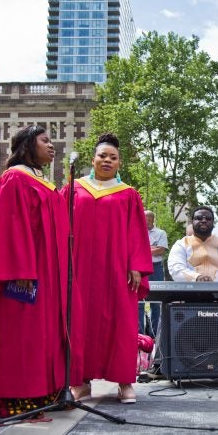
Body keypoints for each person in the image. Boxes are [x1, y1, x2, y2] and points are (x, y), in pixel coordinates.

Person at [0, 125, 85, 418]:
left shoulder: (43, 182)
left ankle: (46, 392)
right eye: (45, 140)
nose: (51, 146)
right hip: (25, 275)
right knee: (22, 335)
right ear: (28, 144)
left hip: (50, 274)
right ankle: (18, 399)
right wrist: (20, 269)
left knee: (45, 334)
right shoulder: (14, 178)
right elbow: (7, 227)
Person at [61, 133, 152, 404]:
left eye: (113, 157)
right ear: (93, 159)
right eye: (102, 156)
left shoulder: (128, 195)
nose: (107, 160)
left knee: (121, 324)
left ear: (119, 163)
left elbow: (137, 232)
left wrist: (136, 265)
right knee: (80, 322)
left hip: (116, 269)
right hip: (80, 268)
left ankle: (124, 382)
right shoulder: (73, 188)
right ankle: (82, 381)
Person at [168, 206, 218, 282]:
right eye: (199, 218)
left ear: (213, 222)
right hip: (191, 294)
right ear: (192, 221)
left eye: (208, 218)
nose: (204, 220)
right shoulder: (181, 244)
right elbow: (176, 269)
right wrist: (197, 277)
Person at [139, 210, 167, 338]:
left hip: (156, 268)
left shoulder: (161, 233)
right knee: (139, 302)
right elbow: (134, 249)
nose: (148, 221)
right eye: (146, 219)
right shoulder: (137, 232)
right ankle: (139, 334)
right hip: (140, 268)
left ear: (153, 219)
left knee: (156, 302)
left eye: (150, 219)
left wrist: (143, 249)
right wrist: (151, 247)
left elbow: (160, 250)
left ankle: (156, 334)